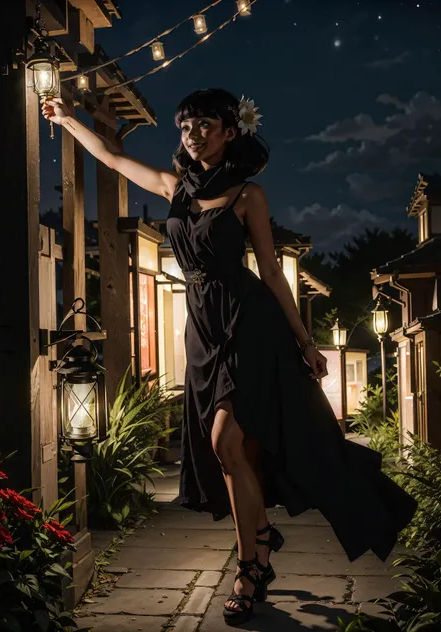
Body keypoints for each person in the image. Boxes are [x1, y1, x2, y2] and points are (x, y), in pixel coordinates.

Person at [43, 88, 417, 627]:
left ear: (230, 132)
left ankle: (249, 567)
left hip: (249, 323)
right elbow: (113, 158)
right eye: (186, 126)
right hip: (204, 330)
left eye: (205, 126)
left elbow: (269, 271)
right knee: (231, 453)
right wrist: (69, 120)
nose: (193, 135)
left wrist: (305, 341)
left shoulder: (248, 195)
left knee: (226, 440)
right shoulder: (174, 189)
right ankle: (262, 536)